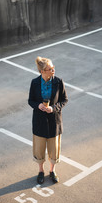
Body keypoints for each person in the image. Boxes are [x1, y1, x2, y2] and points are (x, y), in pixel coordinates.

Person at [28, 56, 68, 184]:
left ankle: (52, 171)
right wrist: (37, 105)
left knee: (54, 149)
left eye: (53, 67)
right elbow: (31, 100)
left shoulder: (58, 81)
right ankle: (41, 171)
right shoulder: (34, 83)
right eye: (50, 69)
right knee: (39, 149)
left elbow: (64, 100)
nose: (53, 70)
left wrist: (54, 108)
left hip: (54, 121)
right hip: (39, 122)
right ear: (42, 71)